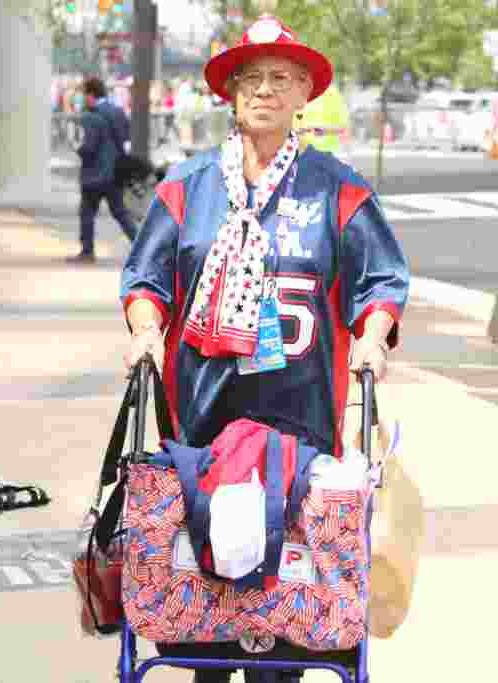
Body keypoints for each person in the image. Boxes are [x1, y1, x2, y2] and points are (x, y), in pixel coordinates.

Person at [119, 15, 410, 683]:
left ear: (305, 94)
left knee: (284, 607)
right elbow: (146, 277)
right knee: (206, 594)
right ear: (231, 93)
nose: (267, 90)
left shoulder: (336, 186)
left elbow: (381, 280)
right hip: (201, 424)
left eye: (283, 78)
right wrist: (143, 330)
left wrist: (370, 337)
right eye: (252, 77)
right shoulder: (186, 187)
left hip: (300, 425)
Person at [68, 76, 139, 264]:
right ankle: (145, 248)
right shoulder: (117, 112)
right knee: (121, 213)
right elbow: (125, 137)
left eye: (85, 94)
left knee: (87, 211)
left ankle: (87, 252)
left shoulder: (90, 117)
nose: (84, 98)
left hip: (95, 173)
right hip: (115, 172)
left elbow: (88, 147)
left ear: (91, 94)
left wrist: (79, 149)